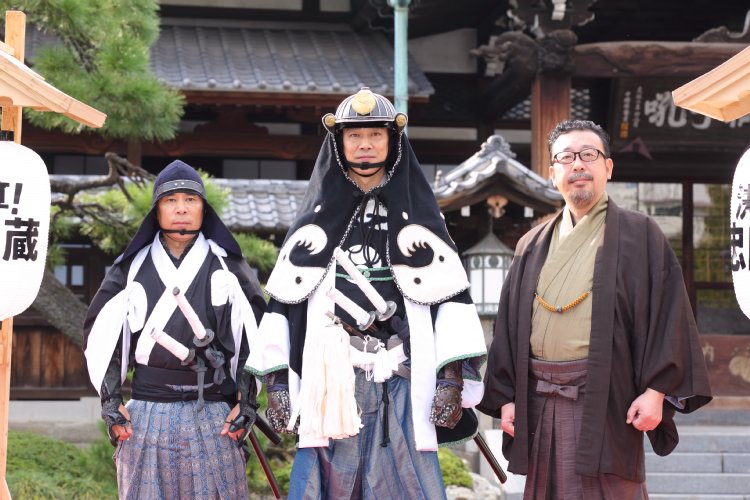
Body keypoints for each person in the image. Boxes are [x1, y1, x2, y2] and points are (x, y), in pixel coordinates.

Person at [246, 87, 487, 499]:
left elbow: (451, 302)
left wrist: (450, 380)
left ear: (392, 140)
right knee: (330, 486)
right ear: (338, 142)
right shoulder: (313, 222)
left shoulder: (423, 217)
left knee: (407, 487)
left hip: (404, 378)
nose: (364, 145)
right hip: (330, 378)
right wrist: (280, 386)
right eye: (354, 135)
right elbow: (284, 306)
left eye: (375, 135)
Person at [477, 119, 713, 499]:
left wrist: (656, 391)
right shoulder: (531, 244)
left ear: (608, 167)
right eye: (566, 158)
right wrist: (506, 396)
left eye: (589, 155)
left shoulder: (641, 235)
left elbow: (671, 317)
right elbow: (507, 329)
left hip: (607, 397)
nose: (578, 166)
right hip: (538, 401)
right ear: (552, 172)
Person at [83, 160, 267, 499]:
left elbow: (253, 335)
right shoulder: (132, 269)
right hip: (145, 413)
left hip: (214, 413)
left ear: (203, 209)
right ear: (156, 211)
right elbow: (103, 336)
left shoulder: (227, 266)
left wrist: (248, 400)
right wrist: (111, 400)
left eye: (190, 200)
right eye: (170, 200)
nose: (181, 209)